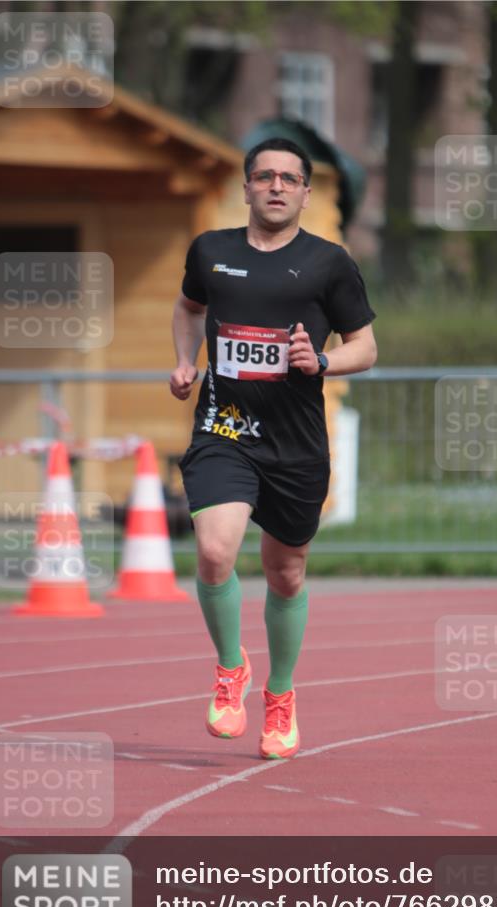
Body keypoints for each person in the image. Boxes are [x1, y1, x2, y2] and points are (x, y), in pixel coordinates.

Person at [169, 137, 377, 760]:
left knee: (286, 572)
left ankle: (279, 694)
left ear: (306, 193)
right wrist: (185, 359)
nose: (277, 187)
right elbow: (186, 307)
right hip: (224, 429)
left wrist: (322, 361)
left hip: (296, 443)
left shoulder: (329, 262)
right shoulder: (212, 251)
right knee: (214, 550)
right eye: (265, 177)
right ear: (248, 187)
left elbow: (365, 347)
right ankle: (231, 671)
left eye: (290, 178)